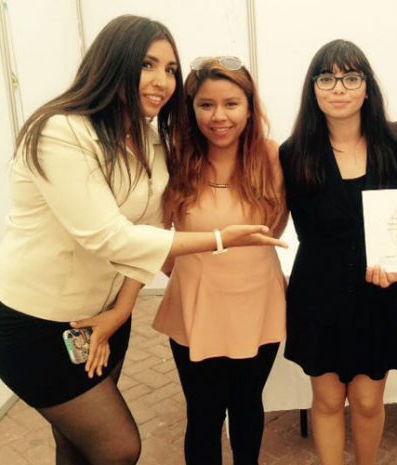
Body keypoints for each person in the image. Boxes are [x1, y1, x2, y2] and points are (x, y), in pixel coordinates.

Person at [0, 16, 284, 465]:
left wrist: (120, 309)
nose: (161, 80)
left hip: (100, 318)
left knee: (75, 440)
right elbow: (113, 238)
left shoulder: (148, 139)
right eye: (148, 64)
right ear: (113, 62)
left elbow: (153, 227)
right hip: (36, 320)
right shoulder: (62, 131)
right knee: (119, 446)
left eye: (169, 69)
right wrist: (219, 239)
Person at [279, 39, 397, 465]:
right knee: (329, 399)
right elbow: (268, 218)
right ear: (313, 88)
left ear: (367, 87)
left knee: (369, 401)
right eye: (327, 78)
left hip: (380, 291)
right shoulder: (294, 154)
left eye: (351, 77)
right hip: (319, 292)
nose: (339, 88)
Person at [153, 56, 287, 465]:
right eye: (206, 105)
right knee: (205, 413)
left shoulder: (271, 156)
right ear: (191, 110)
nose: (219, 116)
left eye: (231, 103)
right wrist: (197, 272)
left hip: (257, 303)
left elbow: (276, 224)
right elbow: (155, 238)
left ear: (249, 106)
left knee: (247, 404)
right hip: (197, 305)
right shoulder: (175, 159)